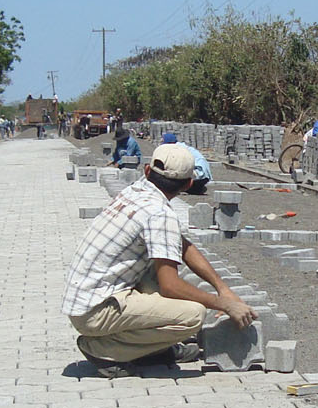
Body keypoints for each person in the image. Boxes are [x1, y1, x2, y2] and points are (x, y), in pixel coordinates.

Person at [62, 143, 255, 377]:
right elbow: (170, 286)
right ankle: (103, 349)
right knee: (192, 315)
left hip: (86, 299)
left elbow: (181, 246)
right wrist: (223, 304)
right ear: (188, 184)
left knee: (158, 269)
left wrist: (222, 288)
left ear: (146, 171)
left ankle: (150, 348)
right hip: (94, 313)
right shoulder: (159, 214)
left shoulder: (135, 192)